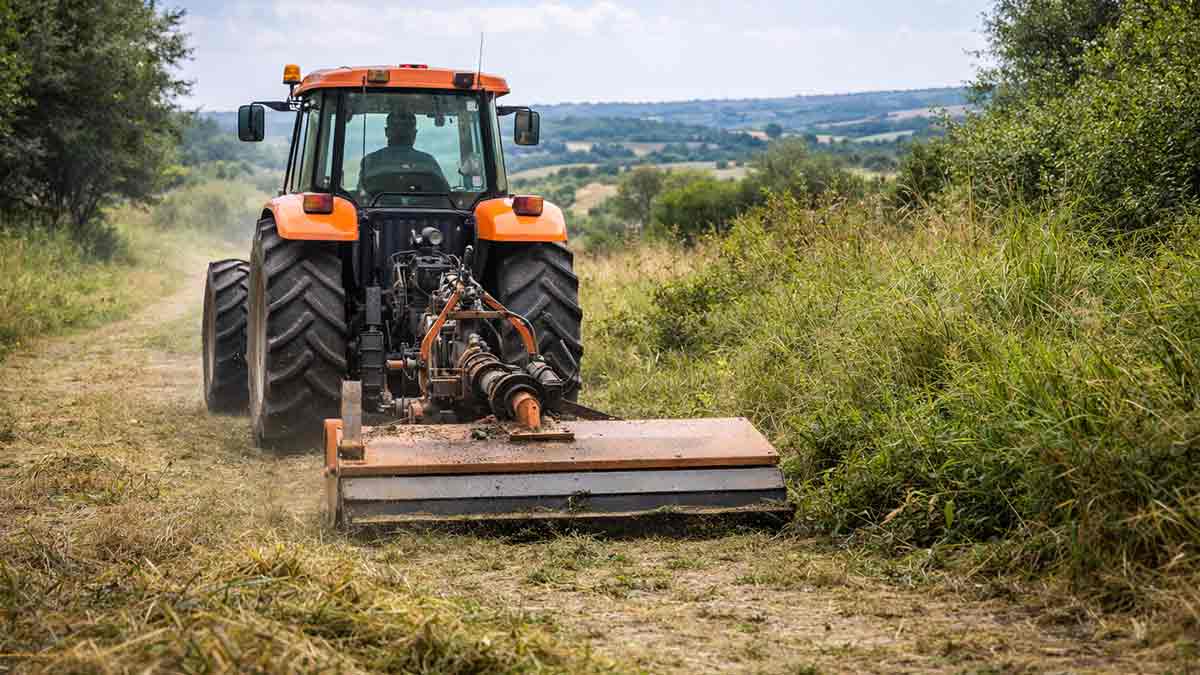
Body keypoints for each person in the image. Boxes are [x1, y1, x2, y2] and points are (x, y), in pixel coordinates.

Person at [360, 111, 448, 193]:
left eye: (404, 127)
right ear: (414, 133)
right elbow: (445, 195)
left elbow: (361, 196)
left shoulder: (370, 161)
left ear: (387, 132)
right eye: (398, 126)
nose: (401, 129)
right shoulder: (428, 162)